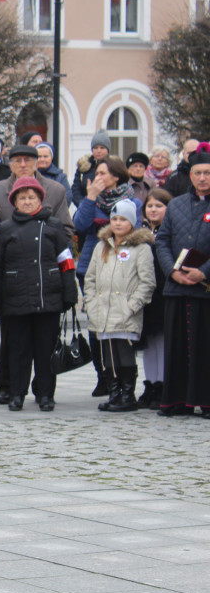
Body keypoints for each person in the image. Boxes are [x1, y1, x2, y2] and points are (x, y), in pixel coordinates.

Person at [0, 144, 75, 404]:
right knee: (18, 349)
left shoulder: (54, 226)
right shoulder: (5, 229)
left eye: (32, 197)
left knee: (45, 349)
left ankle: (45, 393)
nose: (27, 201)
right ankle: (17, 393)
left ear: (40, 200)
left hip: (47, 296)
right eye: (22, 198)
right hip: (15, 299)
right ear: (14, 201)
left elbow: (66, 261)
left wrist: (69, 292)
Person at [73, 155, 144, 398]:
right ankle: (103, 377)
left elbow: (138, 228)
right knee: (96, 324)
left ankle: (124, 384)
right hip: (94, 261)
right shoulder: (91, 198)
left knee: (120, 326)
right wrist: (91, 196)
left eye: (102, 173)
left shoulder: (131, 200)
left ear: (116, 176)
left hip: (124, 266)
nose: (98, 177)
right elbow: (79, 225)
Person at [83, 201, 155, 412]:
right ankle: (114, 393)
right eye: (114, 219)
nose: (118, 223)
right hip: (103, 310)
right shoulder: (102, 246)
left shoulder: (140, 248)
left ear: (131, 222)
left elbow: (147, 282)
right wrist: (91, 302)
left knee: (123, 353)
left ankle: (127, 394)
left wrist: (132, 305)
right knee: (108, 355)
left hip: (125, 311)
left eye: (123, 219)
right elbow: (90, 278)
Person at [155, 145, 210, 417]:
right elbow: (162, 240)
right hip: (177, 287)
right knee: (177, 346)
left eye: (208, 173)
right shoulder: (175, 204)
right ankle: (177, 400)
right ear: (191, 175)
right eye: (198, 173)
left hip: (205, 287)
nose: (203, 178)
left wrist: (205, 272)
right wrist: (171, 271)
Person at [135, 188, 170, 409]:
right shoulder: (140, 233)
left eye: (159, 206)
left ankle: (164, 384)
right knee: (148, 342)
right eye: (150, 206)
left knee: (163, 341)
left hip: (165, 292)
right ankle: (150, 384)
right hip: (146, 294)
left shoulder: (170, 233)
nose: (153, 210)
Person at [71, 130, 112, 207]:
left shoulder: (113, 167)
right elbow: (76, 189)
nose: (98, 151)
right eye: (96, 148)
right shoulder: (83, 166)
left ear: (108, 150)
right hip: (85, 206)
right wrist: (83, 204)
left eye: (102, 148)